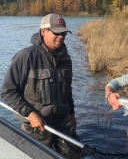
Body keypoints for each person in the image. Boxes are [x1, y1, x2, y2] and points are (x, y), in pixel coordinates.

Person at [1, 14, 82, 159]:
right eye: (56, 32)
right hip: (36, 125)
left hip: (63, 122)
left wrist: (72, 114)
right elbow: (8, 92)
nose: (61, 36)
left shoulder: (66, 58)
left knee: (74, 155)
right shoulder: (25, 56)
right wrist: (30, 114)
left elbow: (68, 91)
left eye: (63, 33)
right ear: (43, 31)